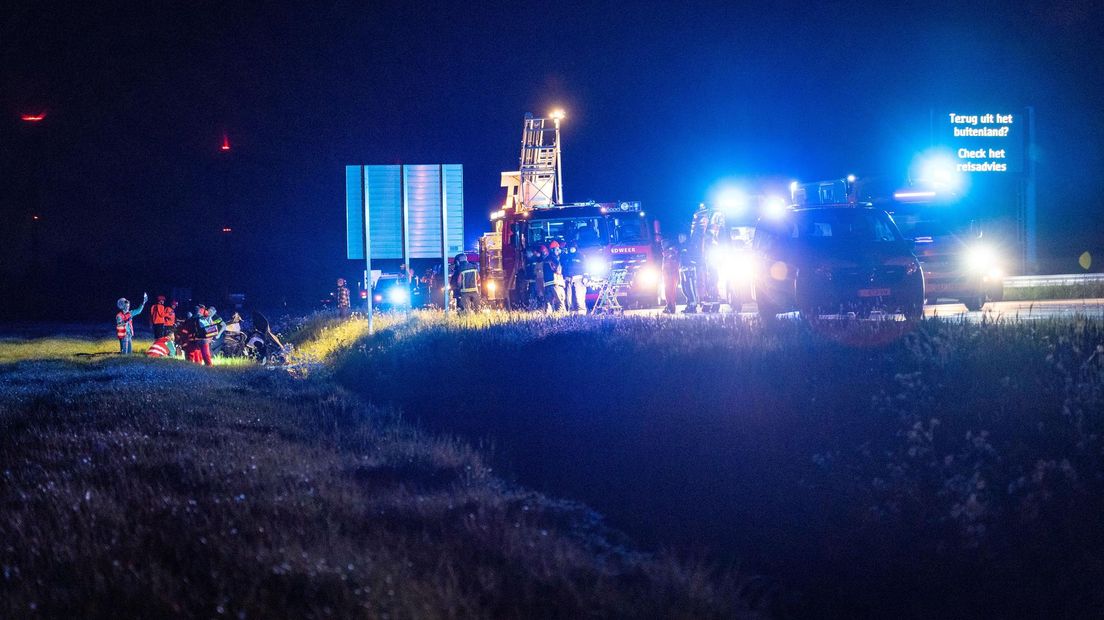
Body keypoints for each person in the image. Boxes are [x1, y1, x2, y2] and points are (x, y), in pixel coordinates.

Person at [678, 232, 700, 313]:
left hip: (688, 270)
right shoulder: (682, 246)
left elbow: (693, 258)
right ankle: (689, 304)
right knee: (684, 288)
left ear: (686, 237)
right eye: (679, 236)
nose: (680, 238)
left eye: (681, 236)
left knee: (690, 288)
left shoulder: (689, 246)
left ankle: (693, 305)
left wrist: (689, 265)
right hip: (683, 270)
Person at [562, 242, 586, 313]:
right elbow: (564, 268)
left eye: (573, 247)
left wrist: (585, 277)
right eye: (570, 248)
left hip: (578, 279)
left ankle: (581, 312)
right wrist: (564, 277)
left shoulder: (580, 256)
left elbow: (585, 267)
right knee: (569, 298)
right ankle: (571, 312)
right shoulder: (566, 257)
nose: (571, 249)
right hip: (568, 279)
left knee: (579, 296)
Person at [543, 241, 566, 312]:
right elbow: (558, 271)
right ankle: (561, 320)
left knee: (548, 304)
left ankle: (548, 320)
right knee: (560, 303)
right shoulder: (554, 259)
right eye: (557, 249)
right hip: (556, 284)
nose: (558, 251)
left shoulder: (545, 259)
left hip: (547, 284)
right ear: (553, 250)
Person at [662, 240, 681, 313]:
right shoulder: (668, 252)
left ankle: (671, 306)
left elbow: (672, 264)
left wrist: (669, 272)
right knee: (668, 289)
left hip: (670, 274)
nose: (662, 244)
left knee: (670, 290)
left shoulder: (671, 253)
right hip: (668, 274)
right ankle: (669, 305)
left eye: (663, 242)